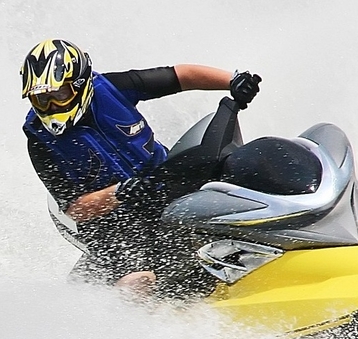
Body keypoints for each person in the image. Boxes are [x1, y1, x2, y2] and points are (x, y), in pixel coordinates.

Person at [21, 39, 261, 295]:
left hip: (162, 184)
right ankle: (153, 324)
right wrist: (119, 192)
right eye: (41, 99)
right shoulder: (39, 141)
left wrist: (233, 81)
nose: (50, 107)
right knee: (138, 281)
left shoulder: (113, 87)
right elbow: (74, 209)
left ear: (81, 85)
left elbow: (182, 76)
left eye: (58, 95)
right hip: (112, 220)